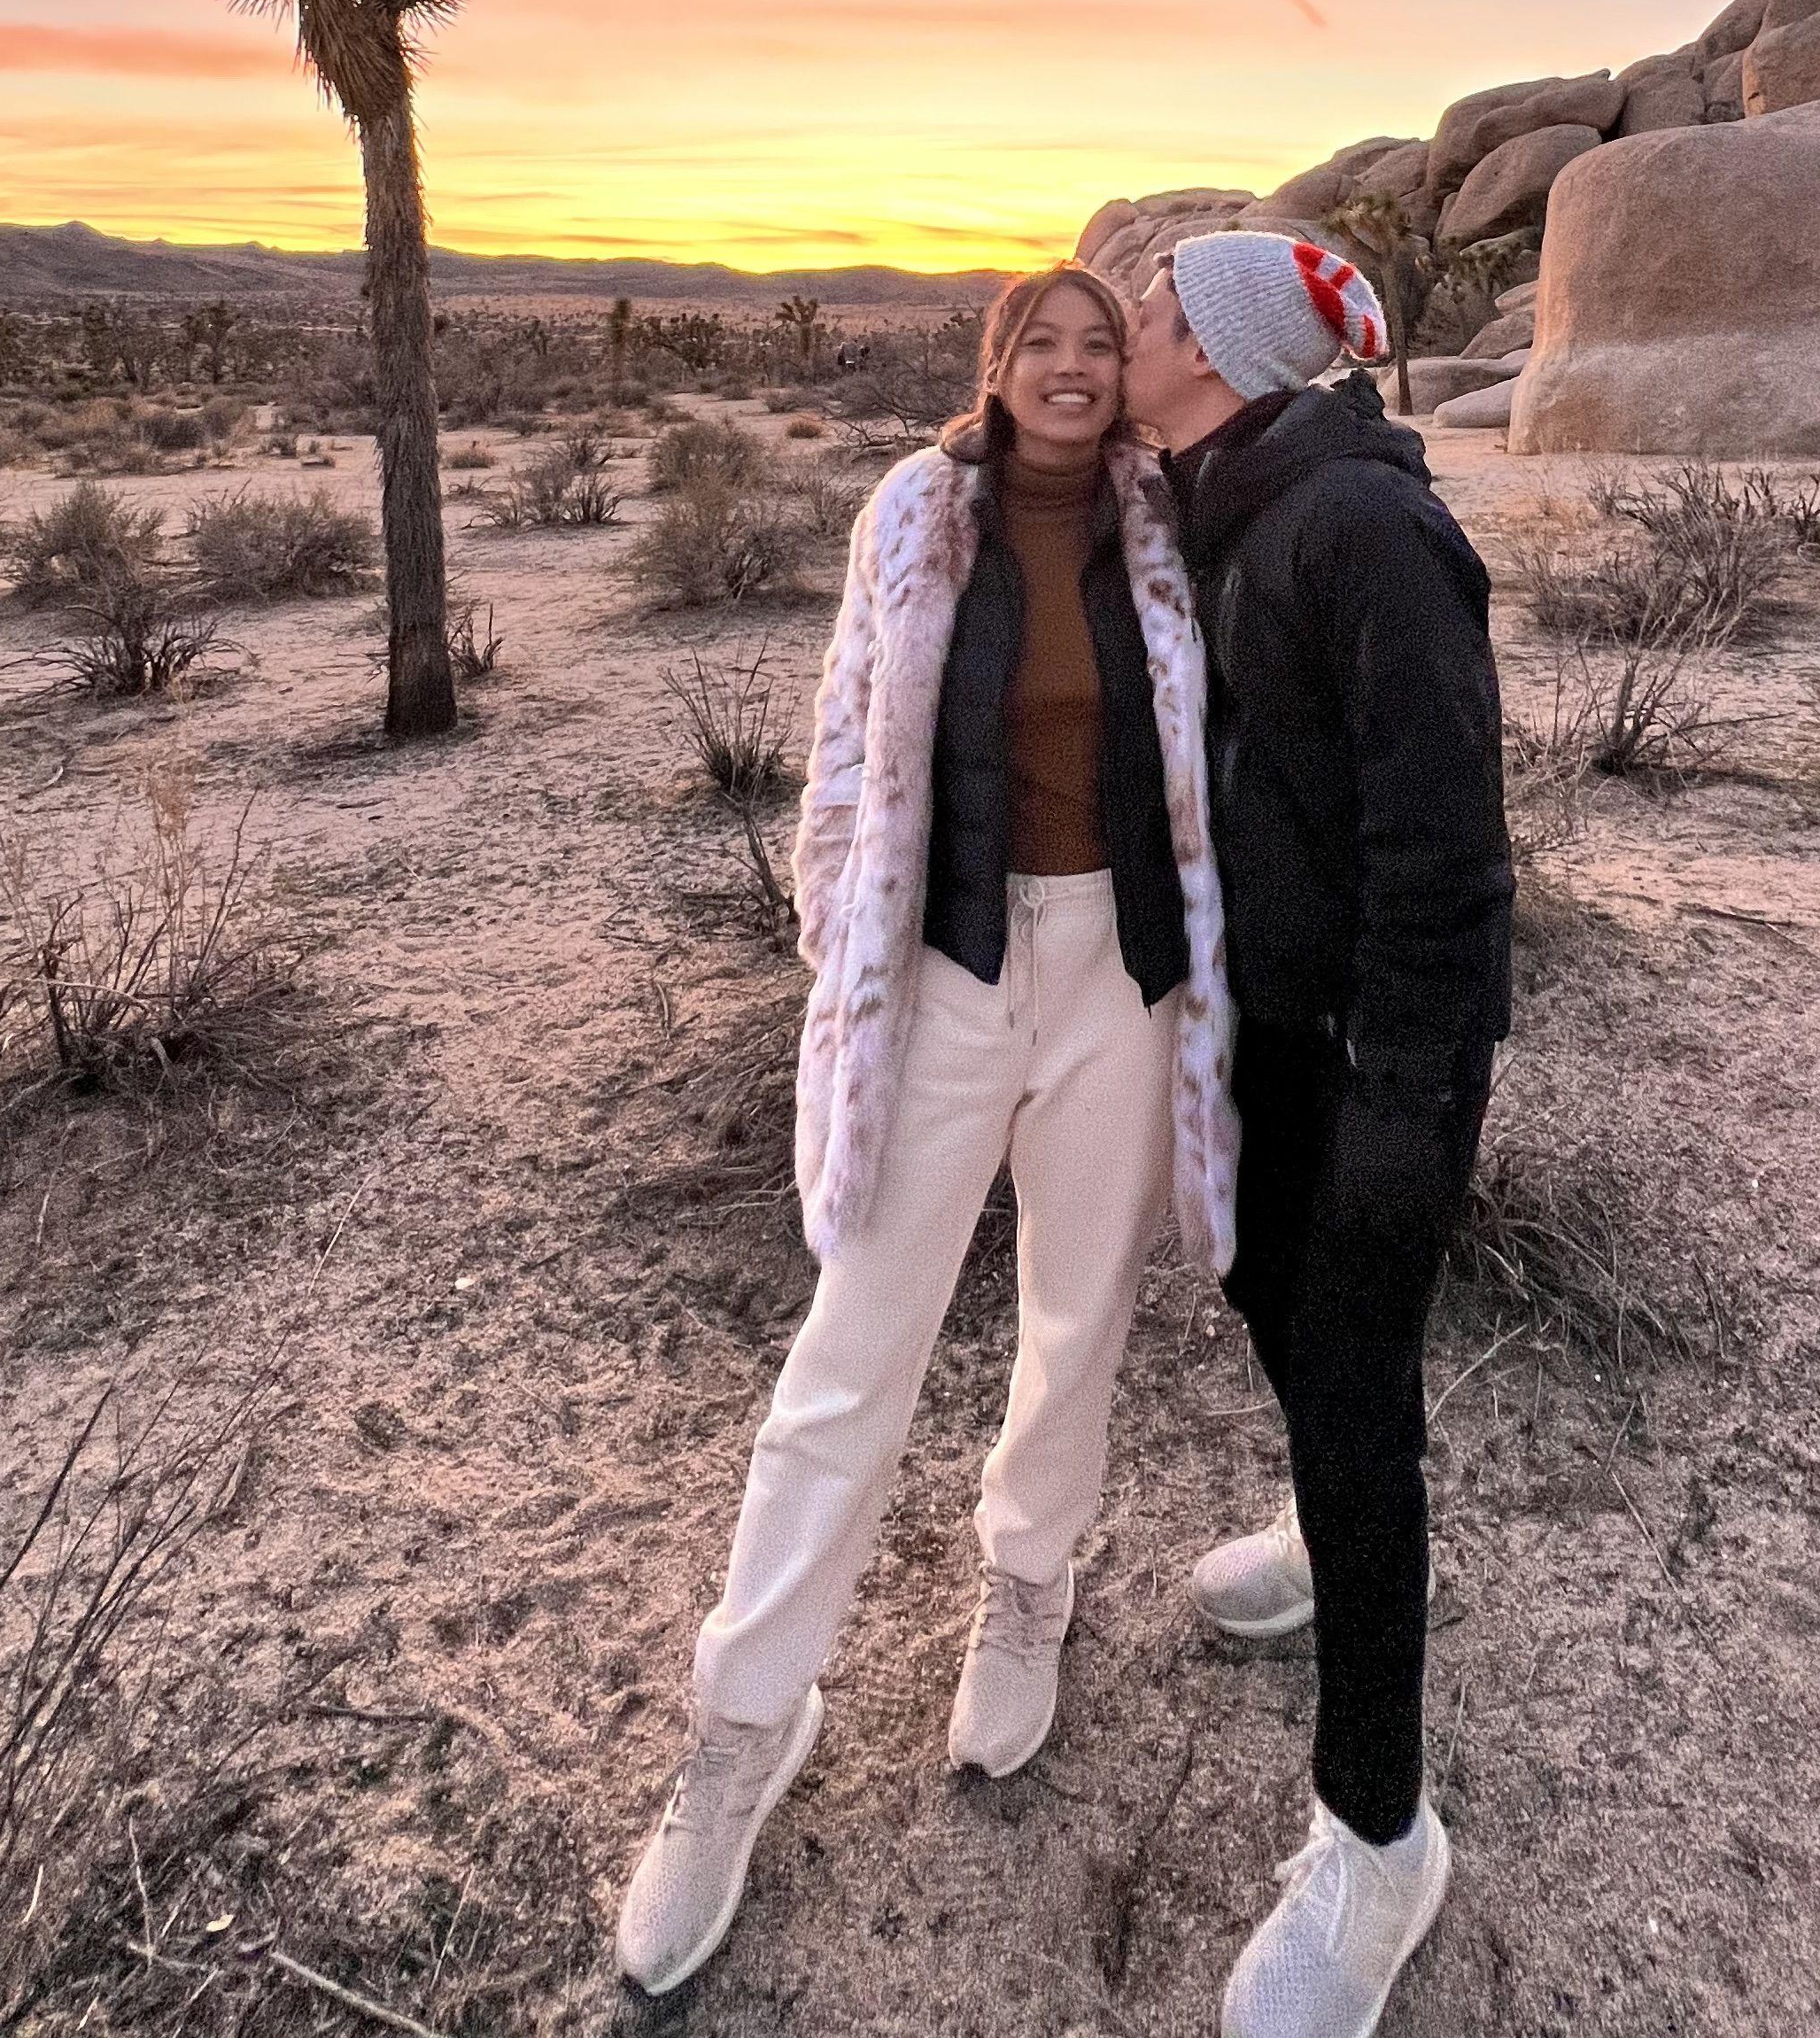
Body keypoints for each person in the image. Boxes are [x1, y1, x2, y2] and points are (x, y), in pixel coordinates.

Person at [616, 264, 1238, 2000]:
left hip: (1123, 970)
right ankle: (743, 1726)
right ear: (997, 363)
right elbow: (839, 746)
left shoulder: (1169, 521)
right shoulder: (914, 509)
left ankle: (1026, 1587)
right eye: (1038, 340)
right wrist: (849, 943)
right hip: (949, 970)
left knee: (1074, 1323)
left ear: (1126, 377)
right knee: (853, 1346)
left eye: (1096, 344)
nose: (1067, 364)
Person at [1120, 230, 1514, 2038]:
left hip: (1373, 1048)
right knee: (1283, 1324)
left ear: (1216, 347)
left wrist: (1406, 1102)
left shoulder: (1364, 531)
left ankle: (1379, 1837)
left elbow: (1444, 853)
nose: (1121, 325)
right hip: (1270, 1029)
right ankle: (1308, 1522)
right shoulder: (1218, 497)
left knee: (1363, 1411)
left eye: (1146, 306)